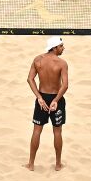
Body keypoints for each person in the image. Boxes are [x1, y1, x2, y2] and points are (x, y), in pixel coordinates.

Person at [26, 36, 69, 172]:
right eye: (61, 46)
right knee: (57, 131)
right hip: (57, 99)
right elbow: (65, 85)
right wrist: (56, 100)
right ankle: (57, 164)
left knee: (37, 130)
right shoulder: (62, 63)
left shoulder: (38, 60)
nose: (63, 48)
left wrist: (39, 97)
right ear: (55, 47)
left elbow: (30, 79)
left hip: (42, 98)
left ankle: (31, 164)